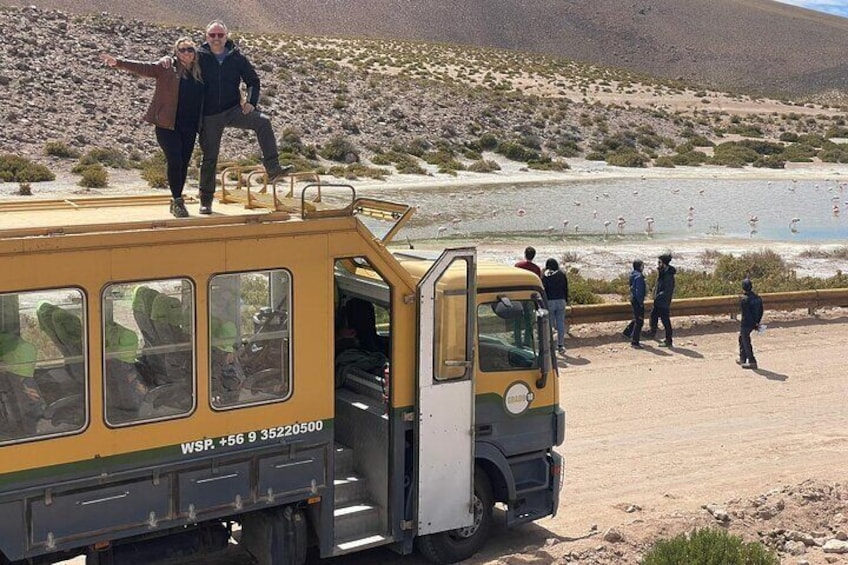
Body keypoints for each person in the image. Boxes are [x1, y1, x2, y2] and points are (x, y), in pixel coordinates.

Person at [193, 20, 291, 214]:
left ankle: (273, 167)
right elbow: (179, 64)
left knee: (263, 121)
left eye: (220, 35)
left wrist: (251, 102)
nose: (216, 39)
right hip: (210, 114)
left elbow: (253, 80)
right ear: (206, 37)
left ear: (226, 36)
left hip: (233, 110)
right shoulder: (198, 56)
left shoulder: (237, 58)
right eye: (212, 35)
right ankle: (206, 200)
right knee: (210, 158)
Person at [101, 37, 204, 218]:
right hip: (166, 124)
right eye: (182, 50)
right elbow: (145, 68)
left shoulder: (200, 71)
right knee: (174, 161)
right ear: (176, 52)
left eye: (190, 49)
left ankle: (176, 199)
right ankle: (178, 199)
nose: (186, 53)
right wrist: (118, 62)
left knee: (184, 163)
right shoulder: (166, 67)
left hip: (189, 125)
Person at [645, 253, 676, 347]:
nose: (658, 264)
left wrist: (657, 296)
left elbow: (667, 290)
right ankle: (652, 333)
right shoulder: (662, 272)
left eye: (659, 262)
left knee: (665, 321)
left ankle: (668, 340)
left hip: (663, 302)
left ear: (664, 263)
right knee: (653, 317)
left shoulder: (668, 275)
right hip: (658, 301)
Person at [542, 258, 568, 355]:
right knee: (560, 323)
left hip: (550, 301)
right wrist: (566, 299)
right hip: (561, 300)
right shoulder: (561, 274)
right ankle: (560, 345)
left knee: (550, 324)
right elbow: (566, 288)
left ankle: (550, 345)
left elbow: (544, 289)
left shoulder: (546, 275)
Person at [738, 278, 764, 369]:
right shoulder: (758, 298)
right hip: (755, 322)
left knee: (745, 340)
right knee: (742, 338)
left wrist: (750, 323)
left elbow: (745, 314)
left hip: (746, 323)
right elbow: (761, 311)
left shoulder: (744, 299)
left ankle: (752, 361)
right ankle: (742, 358)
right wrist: (757, 322)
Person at [623, 259, 646, 348]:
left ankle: (627, 332)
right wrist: (640, 302)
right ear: (640, 266)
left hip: (633, 299)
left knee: (637, 318)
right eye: (642, 265)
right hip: (637, 301)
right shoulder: (639, 276)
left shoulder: (633, 275)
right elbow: (639, 291)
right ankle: (635, 341)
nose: (643, 267)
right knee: (639, 321)